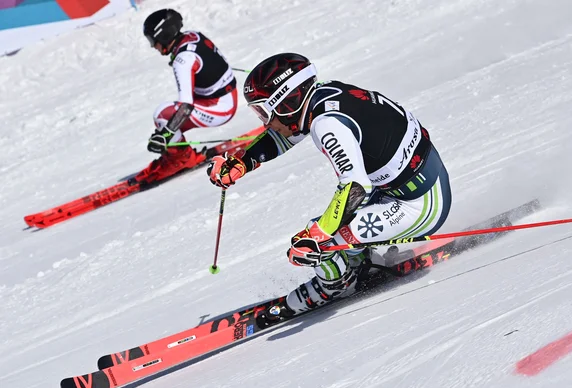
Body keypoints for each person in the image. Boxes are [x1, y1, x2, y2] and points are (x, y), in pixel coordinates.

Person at [207, 53, 452, 323]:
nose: (266, 122)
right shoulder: (322, 95)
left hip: (420, 204)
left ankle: (336, 286)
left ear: (288, 102)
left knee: (315, 243)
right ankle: (357, 262)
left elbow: (355, 185)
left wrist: (320, 234)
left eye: (265, 111)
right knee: (328, 227)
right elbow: (286, 135)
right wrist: (242, 162)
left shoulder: (327, 124)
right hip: (407, 186)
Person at [138, 9, 238, 182]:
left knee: (163, 114)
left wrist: (166, 135)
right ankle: (177, 153)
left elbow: (186, 106)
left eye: (152, 40)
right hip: (226, 96)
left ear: (163, 35)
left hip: (220, 108)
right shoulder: (192, 36)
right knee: (168, 119)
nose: (153, 46)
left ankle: (181, 160)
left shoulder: (182, 60)